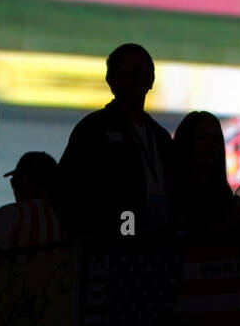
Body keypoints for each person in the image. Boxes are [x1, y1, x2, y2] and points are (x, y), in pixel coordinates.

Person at [52, 43, 176, 237]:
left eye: (142, 69)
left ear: (151, 80)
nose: (136, 74)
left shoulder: (160, 137)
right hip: (109, 252)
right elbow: (65, 193)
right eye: (127, 69)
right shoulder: (93, 129)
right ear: (111, 79)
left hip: (159, 252)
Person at [0, 151, 65, 273]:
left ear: (23, 182)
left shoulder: (10, 215)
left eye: (14, 180)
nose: (13, 185)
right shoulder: (69, 217)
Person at [170, 111, 240, 239]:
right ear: (187, 143)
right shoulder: (172, 190)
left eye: (216, 138)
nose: (211, 144)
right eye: (203, 137)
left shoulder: (221, 190)